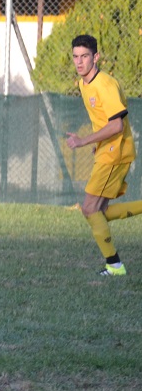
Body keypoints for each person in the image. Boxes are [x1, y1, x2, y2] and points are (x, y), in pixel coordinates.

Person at [65, 34, 138, 277]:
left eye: (84, 56)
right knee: (100, 212)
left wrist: (84, 141)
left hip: (115, 153)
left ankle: (115, 265)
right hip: (107, 150)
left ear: (95, 57)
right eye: (75, 57)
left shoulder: (104, 84)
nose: (79, 62)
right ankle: (114, 266)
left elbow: (116, 125)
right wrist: (98, 141)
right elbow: (103, 122)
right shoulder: (83, 84)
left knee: (89, 209)